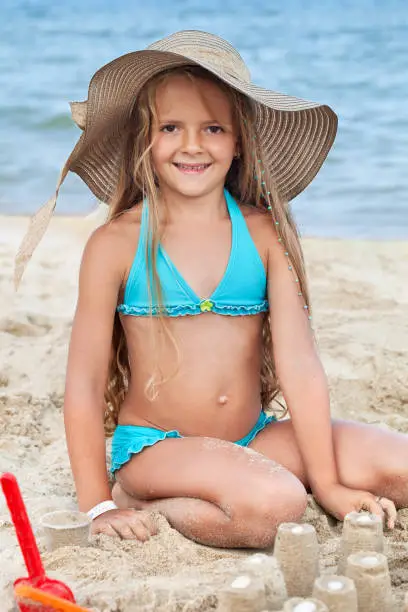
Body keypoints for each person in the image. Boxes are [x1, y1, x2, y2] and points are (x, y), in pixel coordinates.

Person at [16, 31, 407, 548]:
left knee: (399, 466)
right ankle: (142, 498)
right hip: (159, 449)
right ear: (145, 142)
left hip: (253, 438)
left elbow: (300, 365)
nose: (193, 144)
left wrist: (331, 482)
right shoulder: (114, 244)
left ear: (238, 140)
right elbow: (85, 385)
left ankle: (251, 478)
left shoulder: (264, 233)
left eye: (213, 128)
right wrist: (99, 504)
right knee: (278, 505)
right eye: (171, 127)